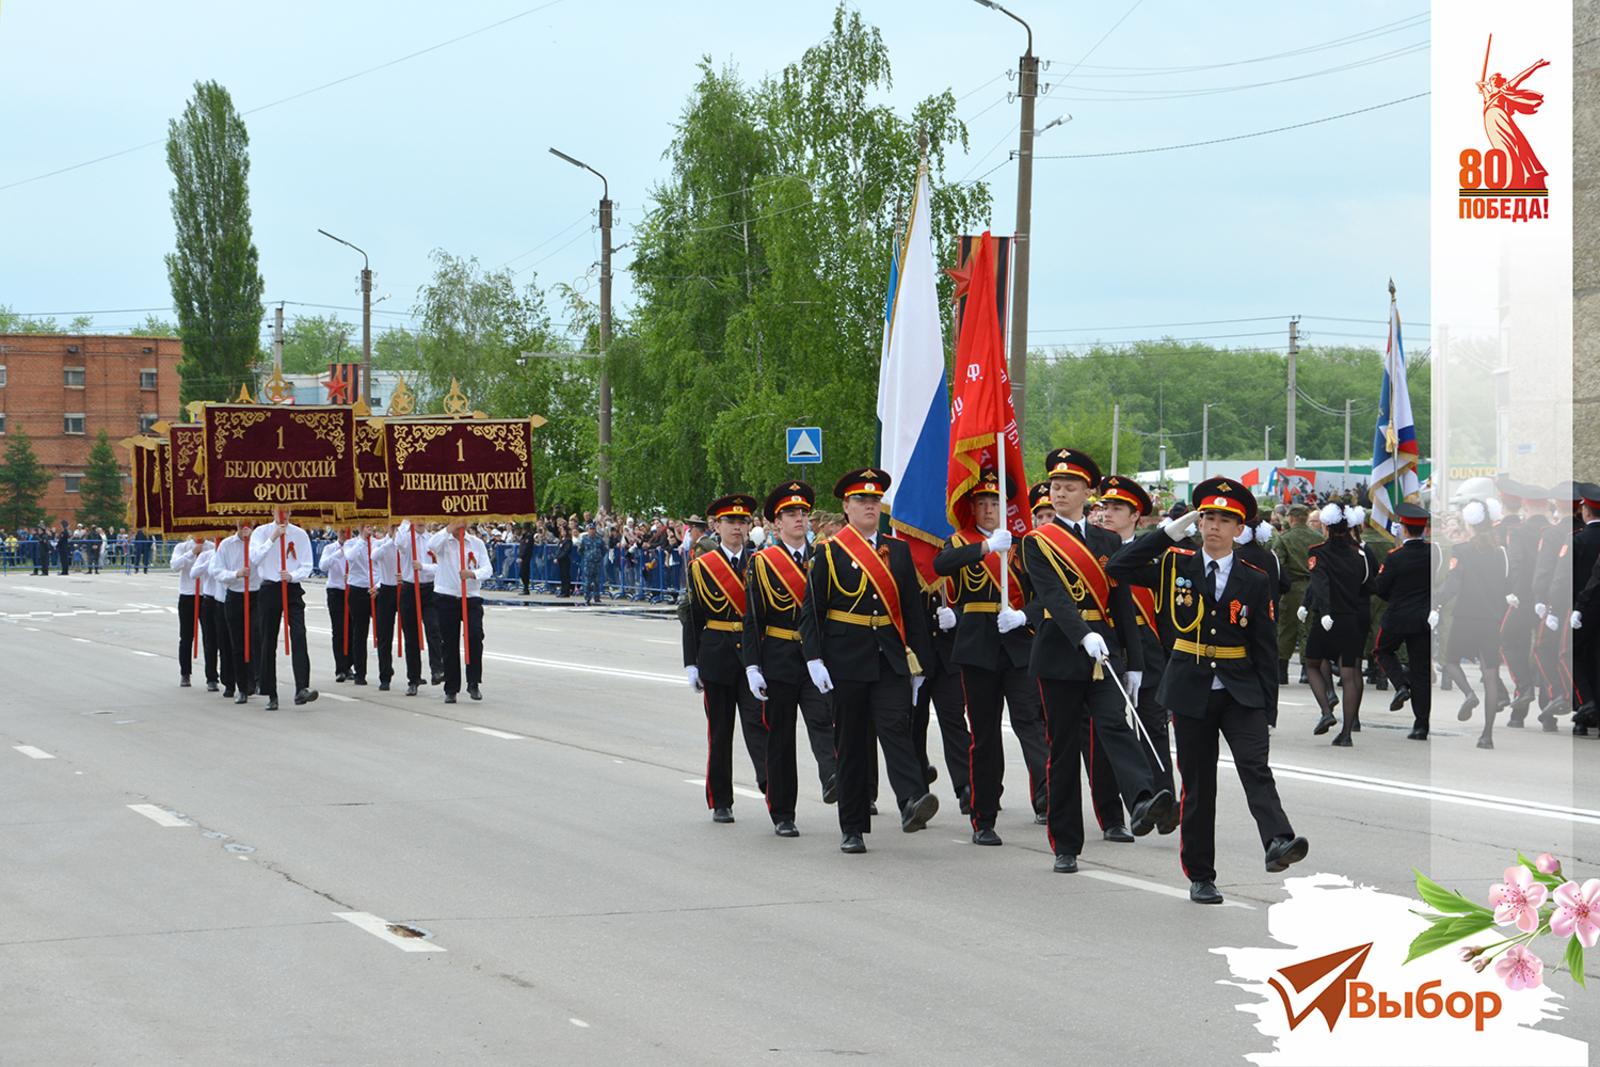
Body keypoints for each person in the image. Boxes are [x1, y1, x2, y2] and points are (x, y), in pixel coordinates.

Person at [1108, 477, 1307, 905]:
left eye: (1224, 520)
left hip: (1240, 689)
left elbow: (1265, 644)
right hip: (1191, 687)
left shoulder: (1255, 577)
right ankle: (1201, 875)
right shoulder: (1173, 565)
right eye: (1207, 518)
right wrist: (1166, 532)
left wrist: (1267, 709)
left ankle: (1278, 842)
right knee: (1199, 787)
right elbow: (1117, 567)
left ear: (1240, 529)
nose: (1213, 526)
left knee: (1256, 768)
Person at [1023, 449, 1168, 876]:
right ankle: (1066, 843)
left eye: (1070, 487)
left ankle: (1142, 798)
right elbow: (1051, 594)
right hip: (1059, 651)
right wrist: (1081, 633)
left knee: (1113, 724)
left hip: (1103, 650)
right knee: (1065, 749)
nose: (1061, 493)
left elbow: (1122, 603)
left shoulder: (1108, 542)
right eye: (1056, 486)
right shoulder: (1038, 541)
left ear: (1090, 493)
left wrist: (1134, 660)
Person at [799, 469, 939, 853]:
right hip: (845, 660)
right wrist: (813, 658)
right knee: (853, 742)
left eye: (875, 500)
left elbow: (913, 612)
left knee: (895, 726)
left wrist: (919, 667)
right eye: (861, 500)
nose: (870, 506)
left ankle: (911, 800)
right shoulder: (829, 551)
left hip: (890, 658)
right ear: (846, 507)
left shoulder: (900, 551)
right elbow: (812, 611)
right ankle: (853, 826)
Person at [933, 470, 1047, 846]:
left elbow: (1043, 594)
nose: (987, 509)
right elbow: (941, 566)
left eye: (995, 503)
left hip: (1017, 643)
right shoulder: (960, 542)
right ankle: (984, 814)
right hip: (977, 646)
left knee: (1031, 721)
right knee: (984, 735)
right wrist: (985, 549)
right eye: (981, 503)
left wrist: (1024, 616)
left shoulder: (1024, 544)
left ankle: (1047, 795)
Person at [741, 482, 838, 836]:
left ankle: (832, 777)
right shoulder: (763, 563)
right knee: (780, 739)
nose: (799, 519)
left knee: (824, 721)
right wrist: (752, 666)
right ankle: (783, 813)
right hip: (779, 657)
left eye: (802, 513)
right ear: (776, 523)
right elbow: (753, 619)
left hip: (816, 658)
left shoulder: (824, 557)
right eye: (791, 515)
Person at [1083, 475, 1176, 837]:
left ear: (1136, 516)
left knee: (1153, 727)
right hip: (1103, 645)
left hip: (1148, 648)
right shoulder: (1088, 548)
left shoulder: (1158, 556)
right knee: (1106, 732)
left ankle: (1164, 803)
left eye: (1117, 508)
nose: (1107, 513)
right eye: (1104, 506)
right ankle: (1113, 818)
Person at [680, 494, 769, 823]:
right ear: (716, 526)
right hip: (716, 657)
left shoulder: (761, 563)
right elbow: (692, 617)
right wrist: (691, 662)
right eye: (730, 521)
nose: (737, 527)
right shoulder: (701, 567)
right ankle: (721, 800)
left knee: (759, 728)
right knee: (720, 733)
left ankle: (772, 789)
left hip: (752, 660)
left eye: (742, 521)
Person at [1300, 502, 1379, 746]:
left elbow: (1320, 584)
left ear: (1325, 526)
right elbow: (1370, 584)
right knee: (1349, 674)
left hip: (1328, 618)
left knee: (1312, 664)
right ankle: (1346, 733)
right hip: (1352, 617)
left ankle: (1326, 711)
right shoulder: (1359, 553)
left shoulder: (1318, 552)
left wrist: (1323, 611)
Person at [1437, 499, 1511, 748]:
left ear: (1469, 522)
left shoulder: (1461, 550)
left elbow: (1453, 582)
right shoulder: (1501, 552)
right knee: (1491, 676)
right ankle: (1487, 735)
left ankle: (1468, 694)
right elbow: (1507, 585)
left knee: (1449, 660)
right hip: (1491, 620)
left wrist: (1436, 605)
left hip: (1465, 617)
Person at [1373, 502, 1441, 739]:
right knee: (1421, 672)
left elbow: (1380, 587)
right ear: (1424, 529)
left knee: (1382, 650)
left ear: (1403, 529)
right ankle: (1421, 725)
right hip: (1424, 617)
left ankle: (1401, 684)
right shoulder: (1435, 551)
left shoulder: (1395, 556)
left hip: (1398, 615)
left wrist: (1396, 598)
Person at [250, 508, 319, 710]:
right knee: (268, 640)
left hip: (291, 587)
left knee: (299, 634)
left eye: (287, 510)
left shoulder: (299, 534)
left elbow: (307, 565)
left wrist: (292, 575)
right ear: (272, 511)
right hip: (270, 587)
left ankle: (301, 688)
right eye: (280, 510)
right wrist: (273, 537)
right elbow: (254, 559)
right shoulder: (261, 533)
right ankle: (271, 692)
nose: (284, 514)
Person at [428, 522, 492, 703]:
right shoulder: (443, 540)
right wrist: (449, 528)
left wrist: (473, 574)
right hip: (446, 596)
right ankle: (451, 688)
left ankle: (473, 682)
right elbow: (431, 546)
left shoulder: (475, 543)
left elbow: (488, 568)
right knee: (449, 643)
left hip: (470, 596)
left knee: (474, 635)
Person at [210, 517, 264, 705]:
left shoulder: (259, 542)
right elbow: (217, 572)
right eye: (241, 524)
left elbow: (266, 562)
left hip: (256, 595)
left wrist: (253, 541)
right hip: (235, 595)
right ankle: (241, 686)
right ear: (236, 524)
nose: (244, 527)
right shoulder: (226, 545)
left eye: (248, 524)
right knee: (238, 644)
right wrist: (236, 574)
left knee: (256, 637)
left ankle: (255, 680)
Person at [397, 519, 443, 696]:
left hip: (429, 589)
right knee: (411, 636)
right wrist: (406, 519)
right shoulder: (407, 538)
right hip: (410, 589)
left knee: (434, 629)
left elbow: (440, 566)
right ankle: (413, 678)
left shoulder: (432, 539)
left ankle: (437, 670)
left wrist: (424, 567)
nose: (421, 520)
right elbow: (399, 543)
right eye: (417, 516)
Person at [1274, 503, 1319, 685]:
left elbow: (1279, 566)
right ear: (1307, 518)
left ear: (1290, 519)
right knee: (1309, 629)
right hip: (1313, 587)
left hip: (1292, 588)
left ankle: (1281, 671)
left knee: (1286, 629)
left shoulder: (1284, 539)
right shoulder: (1318, 537)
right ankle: (1307, 671)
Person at [341, 526, 387, 686]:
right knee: (359, 632)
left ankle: (385, 672)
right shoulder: (351, 543)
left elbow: (385, 568)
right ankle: (360, 672)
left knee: (382, 631)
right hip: (358, 589)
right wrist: (362, 539)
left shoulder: (379, 543)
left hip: (376, 589)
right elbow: (350, 557)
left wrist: (379, 585)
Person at [170, 534, 207, 687]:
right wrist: (192, 552)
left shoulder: (211, 547)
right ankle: (185, 672)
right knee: (186, 637)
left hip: (206, 595)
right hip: (188, 595)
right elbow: (175, 566)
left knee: (210, 637)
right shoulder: (182, 547)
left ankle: (212, 676)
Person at [191, 537, 224, 693]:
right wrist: (209, 561)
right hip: (209, 599)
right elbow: (194, 573)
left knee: (226, 641)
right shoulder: (207, 554)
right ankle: (211, 677)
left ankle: (229, 677)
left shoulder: (228, 552)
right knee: (210, 641)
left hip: (224, 599)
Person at [325, 528, 354, 683]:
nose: (345, 534)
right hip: (336, 591)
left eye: (347, 531)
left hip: (352, 590)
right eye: (342, 531)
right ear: (337, 532)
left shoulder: (356, 546)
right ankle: (340, 668)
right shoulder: (330, 548)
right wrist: (340, 552)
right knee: (339, 630)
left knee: (352, 629)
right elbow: (323, 565)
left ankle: (349, 664)